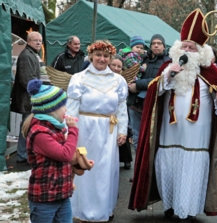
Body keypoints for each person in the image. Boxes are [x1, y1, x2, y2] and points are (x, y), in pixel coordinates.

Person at [129, 8, 217, 223]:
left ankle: (189, 208)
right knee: (168, 164)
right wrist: (168, 76)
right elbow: (154, 93)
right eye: (184, 46)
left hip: (197, 134)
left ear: (200, 51)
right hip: (170, 131)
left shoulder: (211, 72)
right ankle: (170, 203)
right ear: (177, 47)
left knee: (192, 169)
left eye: (191, 47)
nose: (187, 49)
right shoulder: (168, 67)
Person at [67, 40, 129, 222]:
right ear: (91, 56)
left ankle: (104, 210)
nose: (102, 59)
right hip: (84, 129)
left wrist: (122, 131)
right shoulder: (78, 78)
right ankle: (81, 210)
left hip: (108, 131)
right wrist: (71, 132)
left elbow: (121, 108)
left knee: (104, 171)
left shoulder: (118, 80)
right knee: (83, 168)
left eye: (106, 56)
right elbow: (71, 108)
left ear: (110, 58)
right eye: (98, 55)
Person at [23, 79, 78, 222]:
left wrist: (80, 160)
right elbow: (64, 154)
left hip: (61, 195)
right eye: (63, 106)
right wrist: (73, 131)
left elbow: (66, 155)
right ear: (52, 109)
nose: (66, 109)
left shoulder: (55, 127)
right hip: (44, 199)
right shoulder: (40, 133)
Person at [127, 34, 170, 151]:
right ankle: (138, 166)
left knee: (153, 137)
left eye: (159, 43)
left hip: (154, 104)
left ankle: (151, 167)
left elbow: (160, 80)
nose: (156, 45)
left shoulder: (167, 62)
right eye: (153, 43)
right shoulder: (141, 58)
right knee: (137, 136)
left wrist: (138, 85)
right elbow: (129, 71)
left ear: (164, 46)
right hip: (135, 103)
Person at [11, 31, 42, 163]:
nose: (38, 43)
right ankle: (22, 154)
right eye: (35, 40)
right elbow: (26, 80)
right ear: (29, 42)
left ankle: (25, 153)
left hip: (30, 98)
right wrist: (39, 92)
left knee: (28, 127)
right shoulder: (26, 56)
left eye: (40, 41)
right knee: (26, 127)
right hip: (27, 99)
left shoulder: (31, 54)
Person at [109, 54, 133, 169]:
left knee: (123, 134)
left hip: (119, 112)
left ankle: (126, 159)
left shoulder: (121, 80)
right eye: (113, 65)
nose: (116, 68)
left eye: (119, 66)